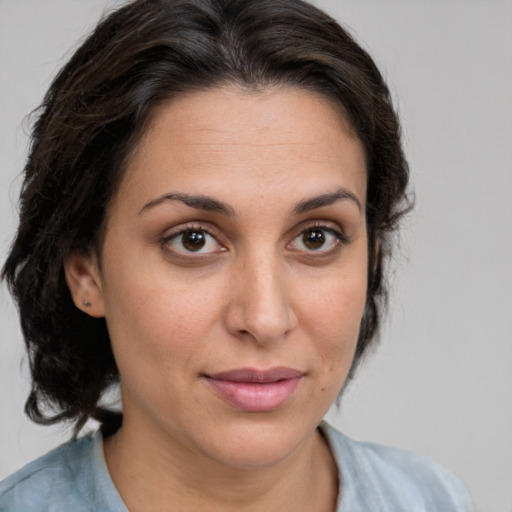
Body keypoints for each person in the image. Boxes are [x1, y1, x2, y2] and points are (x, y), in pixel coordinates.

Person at [0, 0, 474, 510]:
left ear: (371, 258)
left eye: (316, 237)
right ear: (85, 271)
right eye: (193, 240)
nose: (265, 319)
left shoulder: (433, 499)